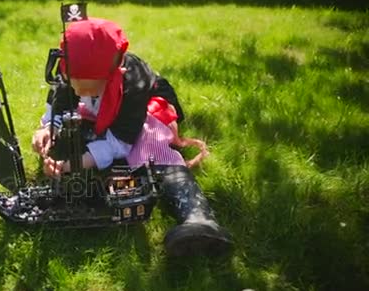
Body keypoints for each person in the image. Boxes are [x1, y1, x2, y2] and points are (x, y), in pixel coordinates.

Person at [31, 18, 232, 257]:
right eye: (76, 87)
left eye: (88, 88)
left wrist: (71, 165)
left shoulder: (132, 84)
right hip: (103, 114)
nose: (79, 93)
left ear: (111, 75)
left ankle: (198, 217)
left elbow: (121, 142)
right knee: (78, 134)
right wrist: (47, 130)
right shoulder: (70, 69)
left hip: (145, 108)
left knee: (148, 145)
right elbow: (60, 104)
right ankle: (97, 145)